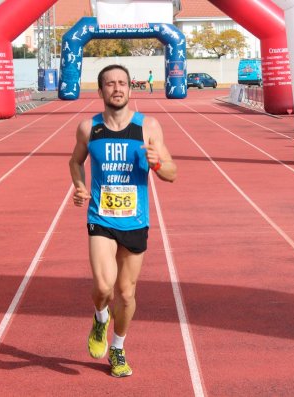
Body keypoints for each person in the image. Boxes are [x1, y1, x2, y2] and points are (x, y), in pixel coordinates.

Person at [69, 64, 177, 377]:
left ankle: (117, 348)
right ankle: (100, 319)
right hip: (101, 218)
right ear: (100, 90)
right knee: (104, 287)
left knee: (127, 294)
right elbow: (75, 162)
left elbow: (172, 173)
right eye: (110, 84)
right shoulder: (88, 128)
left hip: (135, 222)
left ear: (130, 89)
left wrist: (158, 165)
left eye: (122, 83)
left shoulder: (149, 127)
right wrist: (79, 185)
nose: (117, 88)